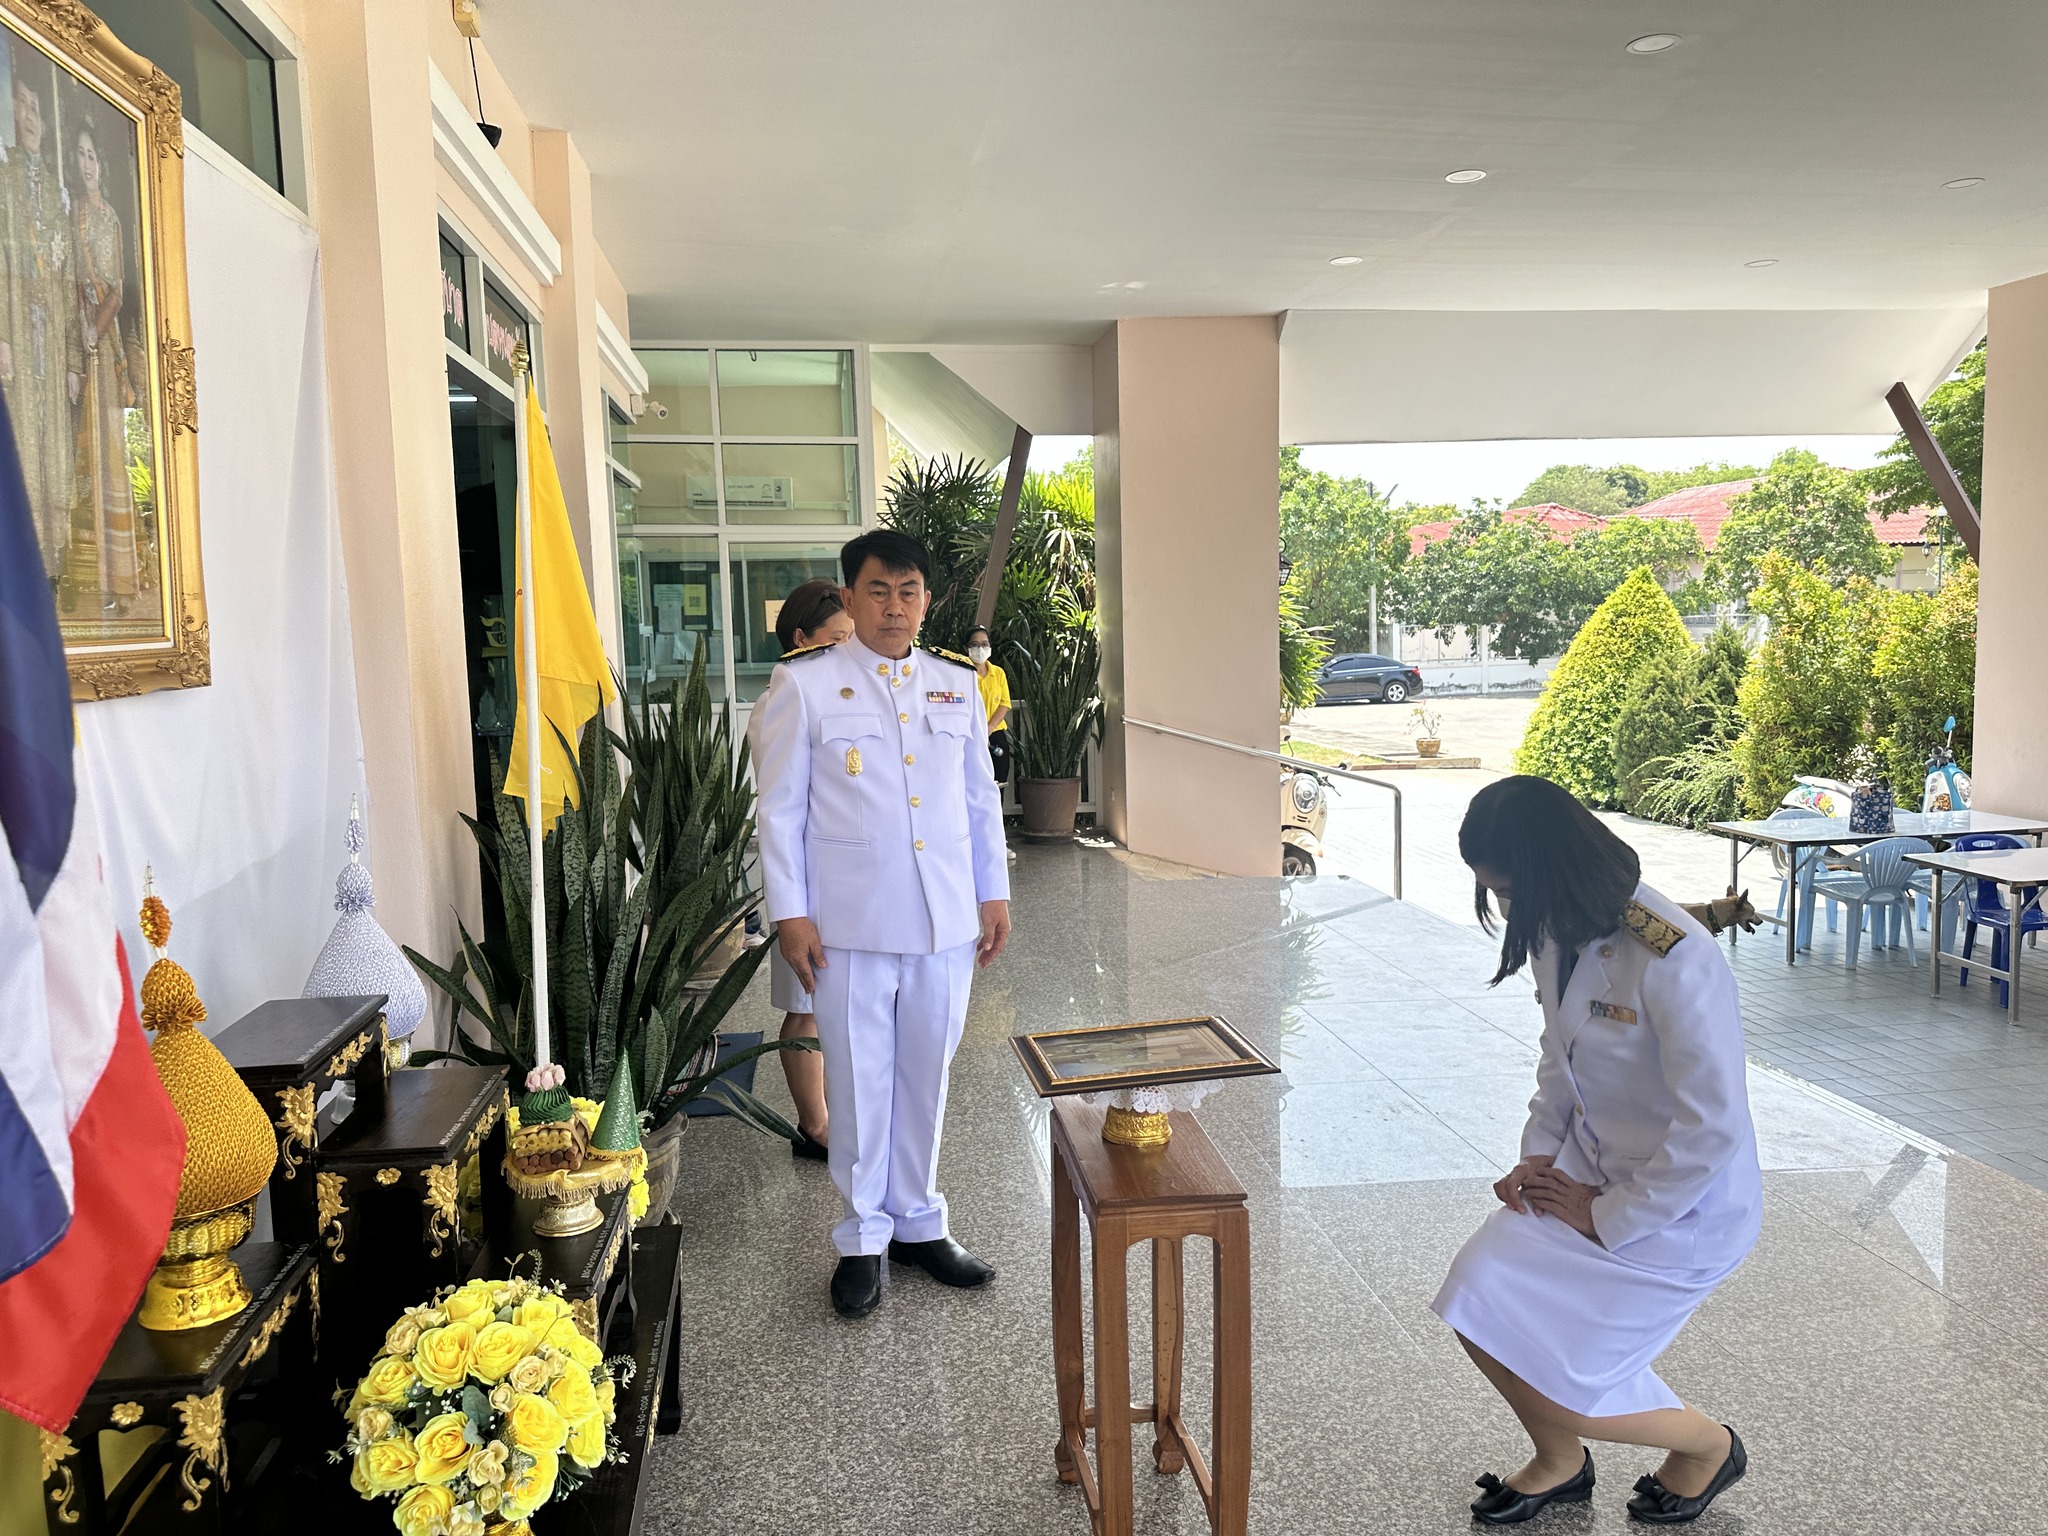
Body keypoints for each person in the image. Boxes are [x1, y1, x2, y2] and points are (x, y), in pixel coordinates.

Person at [1432, 775, 1761, 1526]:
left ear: (1553, 871)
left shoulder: (1673, 954)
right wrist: (1540, 1157)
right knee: (1474, 1296)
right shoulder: (1560, 928)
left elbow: (1712, 1128)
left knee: (1570, 1384)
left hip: (1680, 1209)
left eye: (1508, 891)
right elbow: (1562, 1060)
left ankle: (1709, 1448)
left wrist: (1607, 1215)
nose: (1506, 910)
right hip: (1586, 1170)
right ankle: (1560, 1462)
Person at [752, 529, 1012, 1319]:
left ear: (926, 601)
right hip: (850, 926)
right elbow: (780, 810)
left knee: (927, 1073)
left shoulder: (955, 684)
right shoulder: (805, 685)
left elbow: (978, 800)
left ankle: (919, 1223)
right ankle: (863, 1237)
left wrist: (993, 894)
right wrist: (790, 913)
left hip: (944, 920)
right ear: (849, 597)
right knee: (860, 1081)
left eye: (908, 592)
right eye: (877, 590)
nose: (894, 607)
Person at [745, 578, 853, 1161]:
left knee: (832, 1004)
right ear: (801, 638)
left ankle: (836, 1113)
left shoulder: (836, 694)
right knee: (806, 1007)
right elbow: (783, 807)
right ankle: (815, 1127)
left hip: (840, 879)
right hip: (802, 880)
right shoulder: (779, 702)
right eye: (836, 638)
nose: (847, 648)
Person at [965, 625, 1012, 784]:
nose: (980, 649)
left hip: (996, 733)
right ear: (966, 648)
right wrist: (979, 731)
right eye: (975, 644)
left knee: (999, 781)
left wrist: (989, 728)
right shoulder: (961, 673)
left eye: (984, 644)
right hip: (970, 734)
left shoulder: (998, 673)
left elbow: (1004, 703)